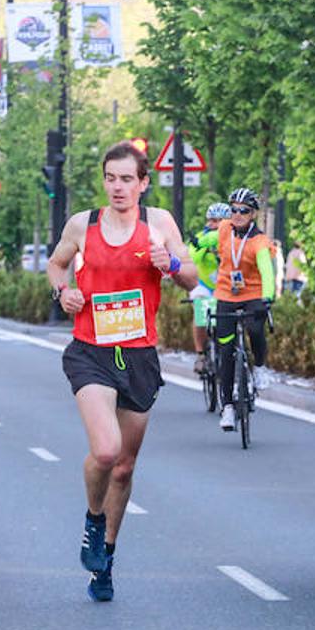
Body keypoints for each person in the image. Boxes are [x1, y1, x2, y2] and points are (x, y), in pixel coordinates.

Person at [48, 140, 197, 602]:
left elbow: (193, 276)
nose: (118, 187)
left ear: (143, 183)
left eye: (127, 179)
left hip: (138, 357)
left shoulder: (159, 225)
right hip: (91, 351)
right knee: (107, 451)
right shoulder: (83, 225)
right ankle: (94, 522)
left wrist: (170, 263)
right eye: (111, 178)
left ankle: (106, 559)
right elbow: (56, 266)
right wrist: (63, 293)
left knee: (125, 467)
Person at [212, 187, 276, 431]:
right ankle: (227, 407)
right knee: (225, 350)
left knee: (256, 329)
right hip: (226, 294)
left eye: (244, 211)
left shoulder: (259, 241)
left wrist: (267, 297)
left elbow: (267, 271)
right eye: (234, 210)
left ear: (253, 214)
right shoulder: (223, 229)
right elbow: (208, 238)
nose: (237, 214)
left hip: (253, 294)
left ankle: (259, 367)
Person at [187, 202, 231, 374]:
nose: (216, 225)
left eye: (221, 221)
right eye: (212, 221)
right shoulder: (200, 237)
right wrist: (204, 247)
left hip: (227, 287)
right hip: (204, 285)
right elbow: (191, 259)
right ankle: (201, 354)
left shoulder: (234, 238)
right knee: (200, 309)